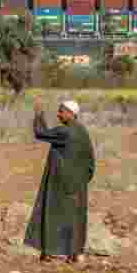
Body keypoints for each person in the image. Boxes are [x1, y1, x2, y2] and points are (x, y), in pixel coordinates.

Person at [24, 99, 96, 264]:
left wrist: (39, 114)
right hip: (77, 184)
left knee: (51, 214)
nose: (58, 114)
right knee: (75, 218)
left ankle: (48, 252)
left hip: (60, 184)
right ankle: (74, 254)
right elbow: (90, 163)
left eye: (61, 111)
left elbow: (40, 133)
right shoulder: (82, 132)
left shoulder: (65, 132)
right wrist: (81, 181)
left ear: (71, 114)